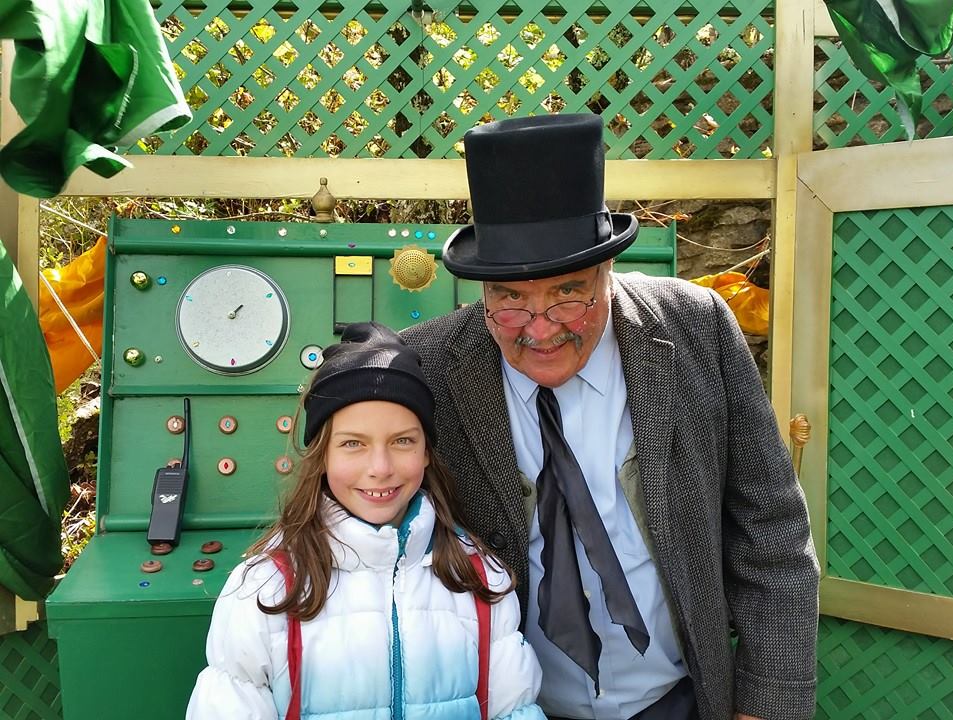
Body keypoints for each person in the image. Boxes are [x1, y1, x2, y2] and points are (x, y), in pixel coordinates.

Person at [403, 114, 820, 720]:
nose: (540, 330)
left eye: (568, 294)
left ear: (608, 273)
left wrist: (766, 704)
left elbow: (771, 529)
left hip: (678, 701)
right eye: (510, 299)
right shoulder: (430, 365)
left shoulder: (696, 328)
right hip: (513, 707)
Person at [186, 322, 546, 720]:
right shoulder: (266, 587)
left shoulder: (479, 577)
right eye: (353, 444)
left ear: (427, 452)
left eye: (402, 441)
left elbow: (514, 710)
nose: (380, 468)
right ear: (322, 455)